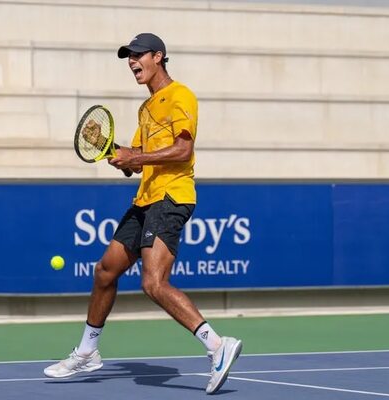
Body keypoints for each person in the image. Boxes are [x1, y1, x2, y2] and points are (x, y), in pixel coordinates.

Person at [44, 33, 242, 395]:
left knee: (153, 283)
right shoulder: (146, 108)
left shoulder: (180, 95)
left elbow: (183, 150)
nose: (132, 62)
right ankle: (88, 351)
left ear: (158, 56)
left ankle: (217, 345)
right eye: (128, 57)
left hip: (171, 197)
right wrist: (111, 151)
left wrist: (135, 157)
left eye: (138, 55)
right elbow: (135, 158)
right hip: (145, 198)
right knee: (105, 271)